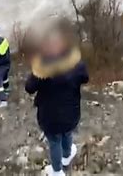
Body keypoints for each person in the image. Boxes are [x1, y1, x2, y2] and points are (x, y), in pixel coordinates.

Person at [25, 31, 89, 176]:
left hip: (50, 117)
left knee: (54, 141)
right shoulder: (77, 64)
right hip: (72, 112)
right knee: (67, 132)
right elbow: (85, 78)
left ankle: (57, 171)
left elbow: (29, 88)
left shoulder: (42, 69)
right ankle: (67, 156)